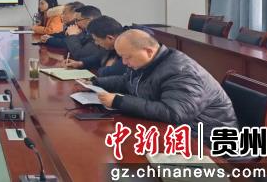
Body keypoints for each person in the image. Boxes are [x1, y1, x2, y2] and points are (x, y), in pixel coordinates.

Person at [94, 29, 237, 135]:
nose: (124, 63)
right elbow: (127, 81)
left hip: (206, 138)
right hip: (177, 130)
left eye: (127, 57)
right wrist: (95, 83)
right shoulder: (147, 62)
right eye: (122, 58)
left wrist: (119, 101)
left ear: (148, 51)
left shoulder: (181, 72)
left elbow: (174, 114)